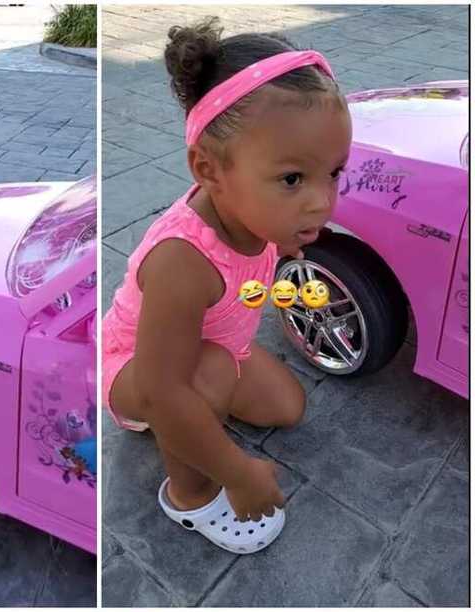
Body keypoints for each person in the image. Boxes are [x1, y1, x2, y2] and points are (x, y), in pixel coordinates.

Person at [100, 17, 352, 554]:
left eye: (333, 173)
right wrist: (236, 472)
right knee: (197, 381)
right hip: (135, 370)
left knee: (287, 409)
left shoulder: (254, 214)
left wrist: (280, 242)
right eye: (292, 179)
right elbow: (161, 386)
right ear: (209, 170)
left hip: (216, 348)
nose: (321, 201)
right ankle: (188, 495)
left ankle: (199, 419)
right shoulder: (181, 262)